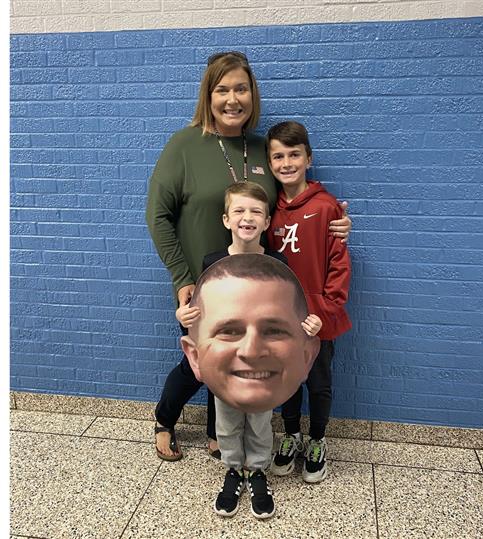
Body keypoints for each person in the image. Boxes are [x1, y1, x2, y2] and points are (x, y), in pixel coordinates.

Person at [146, 51, 352, 461]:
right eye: (222, 89)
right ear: (208, 95)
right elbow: (157, 215)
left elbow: (291, 205)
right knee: (199, 365)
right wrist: (182, 277)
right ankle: (164, 419)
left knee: (239, 362)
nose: (232, 99)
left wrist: (334, 223)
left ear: (252, 94)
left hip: (257, 290)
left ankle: (216, 435)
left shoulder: (263, 148)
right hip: (204, 284)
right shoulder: (184, 145)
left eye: (241, 88)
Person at [177, 182, 321, 518]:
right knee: (226, 419)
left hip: (262, 365)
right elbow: (204, 312)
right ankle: (233, 469)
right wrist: (186, 318)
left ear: (267, 221)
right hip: (227, 364)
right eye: (239, 211)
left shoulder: (276, 260)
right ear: (226, 219)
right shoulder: (212, 261)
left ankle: (257, 471)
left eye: (256, 211)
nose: (247, 217)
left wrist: (307, 325)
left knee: (259, 417)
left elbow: (285, 309)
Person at [266, 121, 352, 484]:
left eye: (294, 155)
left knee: (318, 382)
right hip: (282, 316)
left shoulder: (327, 206)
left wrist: (325, 311)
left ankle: (317, 440)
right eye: (278, 156)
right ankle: (291, 435)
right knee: (286, 380)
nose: (287, 163)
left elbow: (339, 265)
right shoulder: (266, 209)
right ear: (270, 163)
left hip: (318, 318)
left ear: (308, 159)